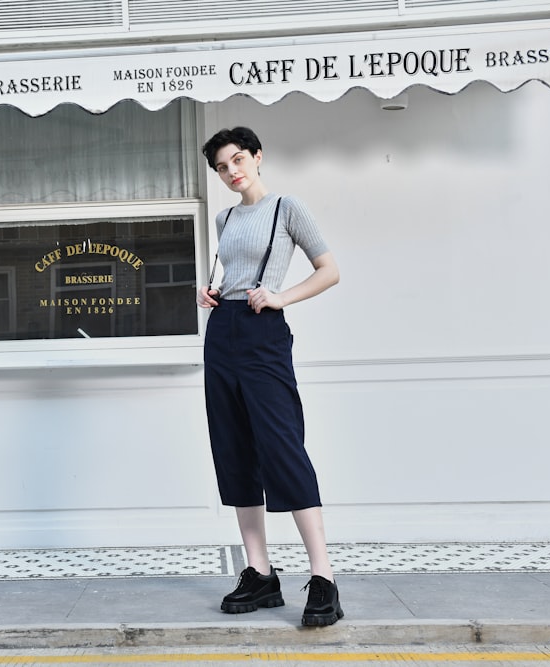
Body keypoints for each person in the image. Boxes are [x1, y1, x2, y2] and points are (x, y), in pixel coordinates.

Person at [197, 126, 343, 627]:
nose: (231, 171)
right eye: (221, 167)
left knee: (283, 447)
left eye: (238, 160)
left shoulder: (287, 208)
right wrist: (212, 292)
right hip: (222, 332)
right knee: (233, 447)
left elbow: (329, 269)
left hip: (263, 334)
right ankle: (259, 573)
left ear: (258, 157)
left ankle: (323, 577)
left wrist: (281, 296)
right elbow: (234, 272)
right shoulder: (225, 217)